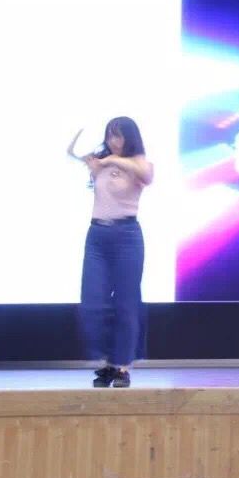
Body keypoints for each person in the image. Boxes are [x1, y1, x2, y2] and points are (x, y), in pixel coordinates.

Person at [68, 117, 154, 388]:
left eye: (118, 135)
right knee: (92, 303)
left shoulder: (138, 162)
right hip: (97, 236)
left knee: (126, 304)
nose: (113, 141)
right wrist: (96, 167)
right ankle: (107, 361)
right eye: (109, 135)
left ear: (130, 137)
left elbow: (147, 176)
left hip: (127, 236)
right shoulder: (101, 162)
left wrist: (111, 161)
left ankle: (122, 367)